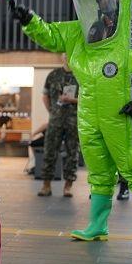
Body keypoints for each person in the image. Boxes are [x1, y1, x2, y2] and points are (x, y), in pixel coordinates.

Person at [10, 0, 132, 248]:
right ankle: (97, 225)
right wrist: (29, 20)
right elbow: (52, 35)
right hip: (91, 112)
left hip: (131, 111)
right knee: (99, 171)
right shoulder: (84, 31)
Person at [37, 54, 79, 197]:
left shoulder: (81, 75)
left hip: (73, 121)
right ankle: (46, 185)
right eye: (65, 54)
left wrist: (72, 100)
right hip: (55, 121)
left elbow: (88, 98)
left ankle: (68, 187)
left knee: (72, 153)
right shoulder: (53, 75)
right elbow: (45, 96)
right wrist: (52, 112)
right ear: (62, 57)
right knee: (49, 151)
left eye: (71, 54)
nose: (67, 57)